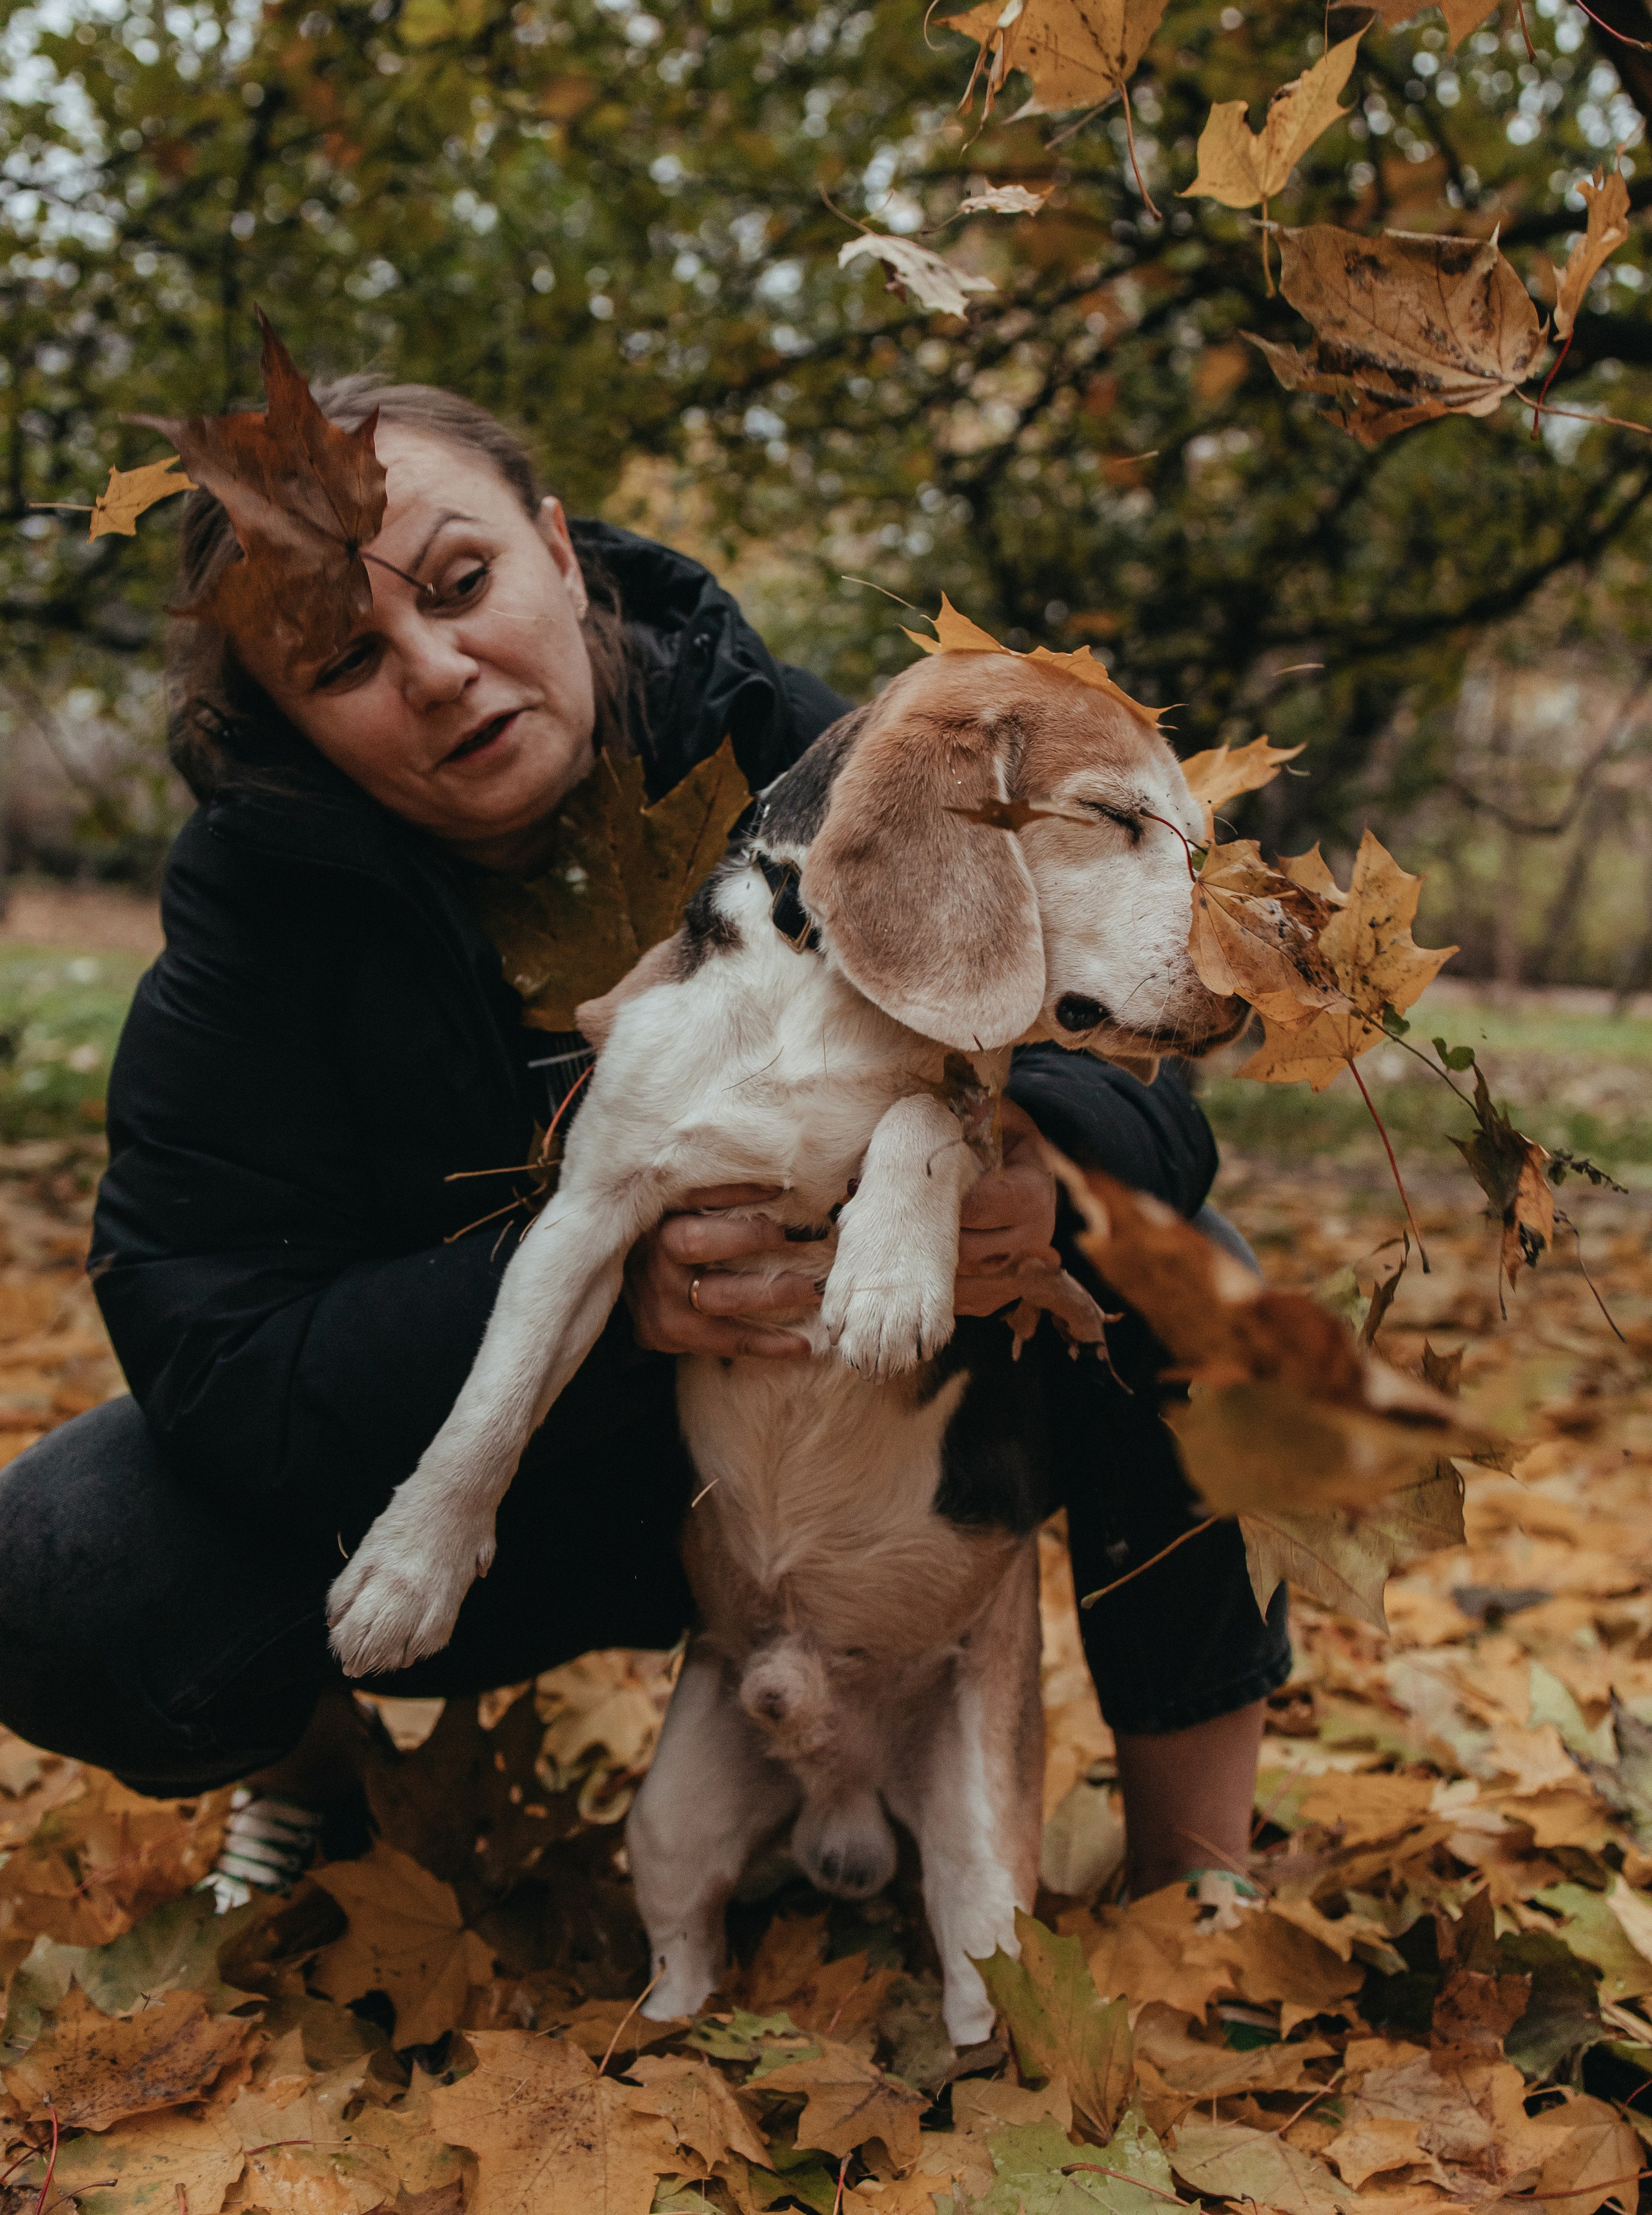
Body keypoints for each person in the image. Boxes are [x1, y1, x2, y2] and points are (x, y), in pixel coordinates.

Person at [0, 379, 1287, 1913]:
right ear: (284, 714)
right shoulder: (257, 912)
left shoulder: (803, 752)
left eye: (462, 583)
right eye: (343, 659)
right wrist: (625, 1302)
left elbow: (1149, 1098)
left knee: (1207, 1292)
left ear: (556, 546)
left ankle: (1192, 1883)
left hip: (876, 1454)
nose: (432, 668)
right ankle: (315, 1792)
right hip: (536, 1490)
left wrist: (1035, 1164)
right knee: (68, 1562)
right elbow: (206, 1339)